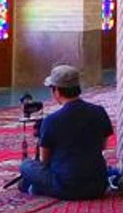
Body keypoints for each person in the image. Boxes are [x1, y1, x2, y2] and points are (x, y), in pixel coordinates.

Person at [17, 65, 116, 201]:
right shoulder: (98, 111)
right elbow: (102, 146)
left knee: (26, 165)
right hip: (98, 185)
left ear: (56, 90)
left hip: (67, 187)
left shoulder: (52, 121)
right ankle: (36, 187)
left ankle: (35, 187)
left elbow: (44, 161)